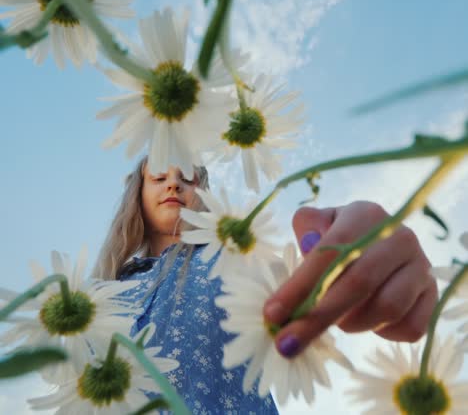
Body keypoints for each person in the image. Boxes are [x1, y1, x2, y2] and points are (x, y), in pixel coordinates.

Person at [92, 156, 437, 412]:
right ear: (136, 193)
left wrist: (359, 255)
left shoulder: (232, 259)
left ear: (205, 194)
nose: (173, 184)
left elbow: (303, 281)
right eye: (159, 177)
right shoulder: (99, 295)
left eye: (187, 178)